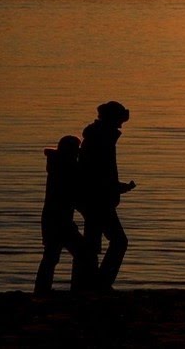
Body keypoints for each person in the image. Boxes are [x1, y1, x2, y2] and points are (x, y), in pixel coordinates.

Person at [73, 100, 137, 292]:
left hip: (94, 197)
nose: (122, 123)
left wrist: (117, 187)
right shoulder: (101, 138)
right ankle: (99, 284)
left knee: (91, 244)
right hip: (97, 199)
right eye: (120, 118)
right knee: (118, 241)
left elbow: (100, 173)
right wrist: (115, 188)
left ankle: (85, 285)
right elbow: (98, 174)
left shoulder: (99, 136)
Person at [33, 135, 97, 294]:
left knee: (51, 255)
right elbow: (75, 192)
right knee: (82, 254)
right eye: (76, 149)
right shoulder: (66, 168)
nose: (78, 152)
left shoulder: (58, 165)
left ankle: (42, 290)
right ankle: (77, 287)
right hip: (59, 220)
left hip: (53, 218)